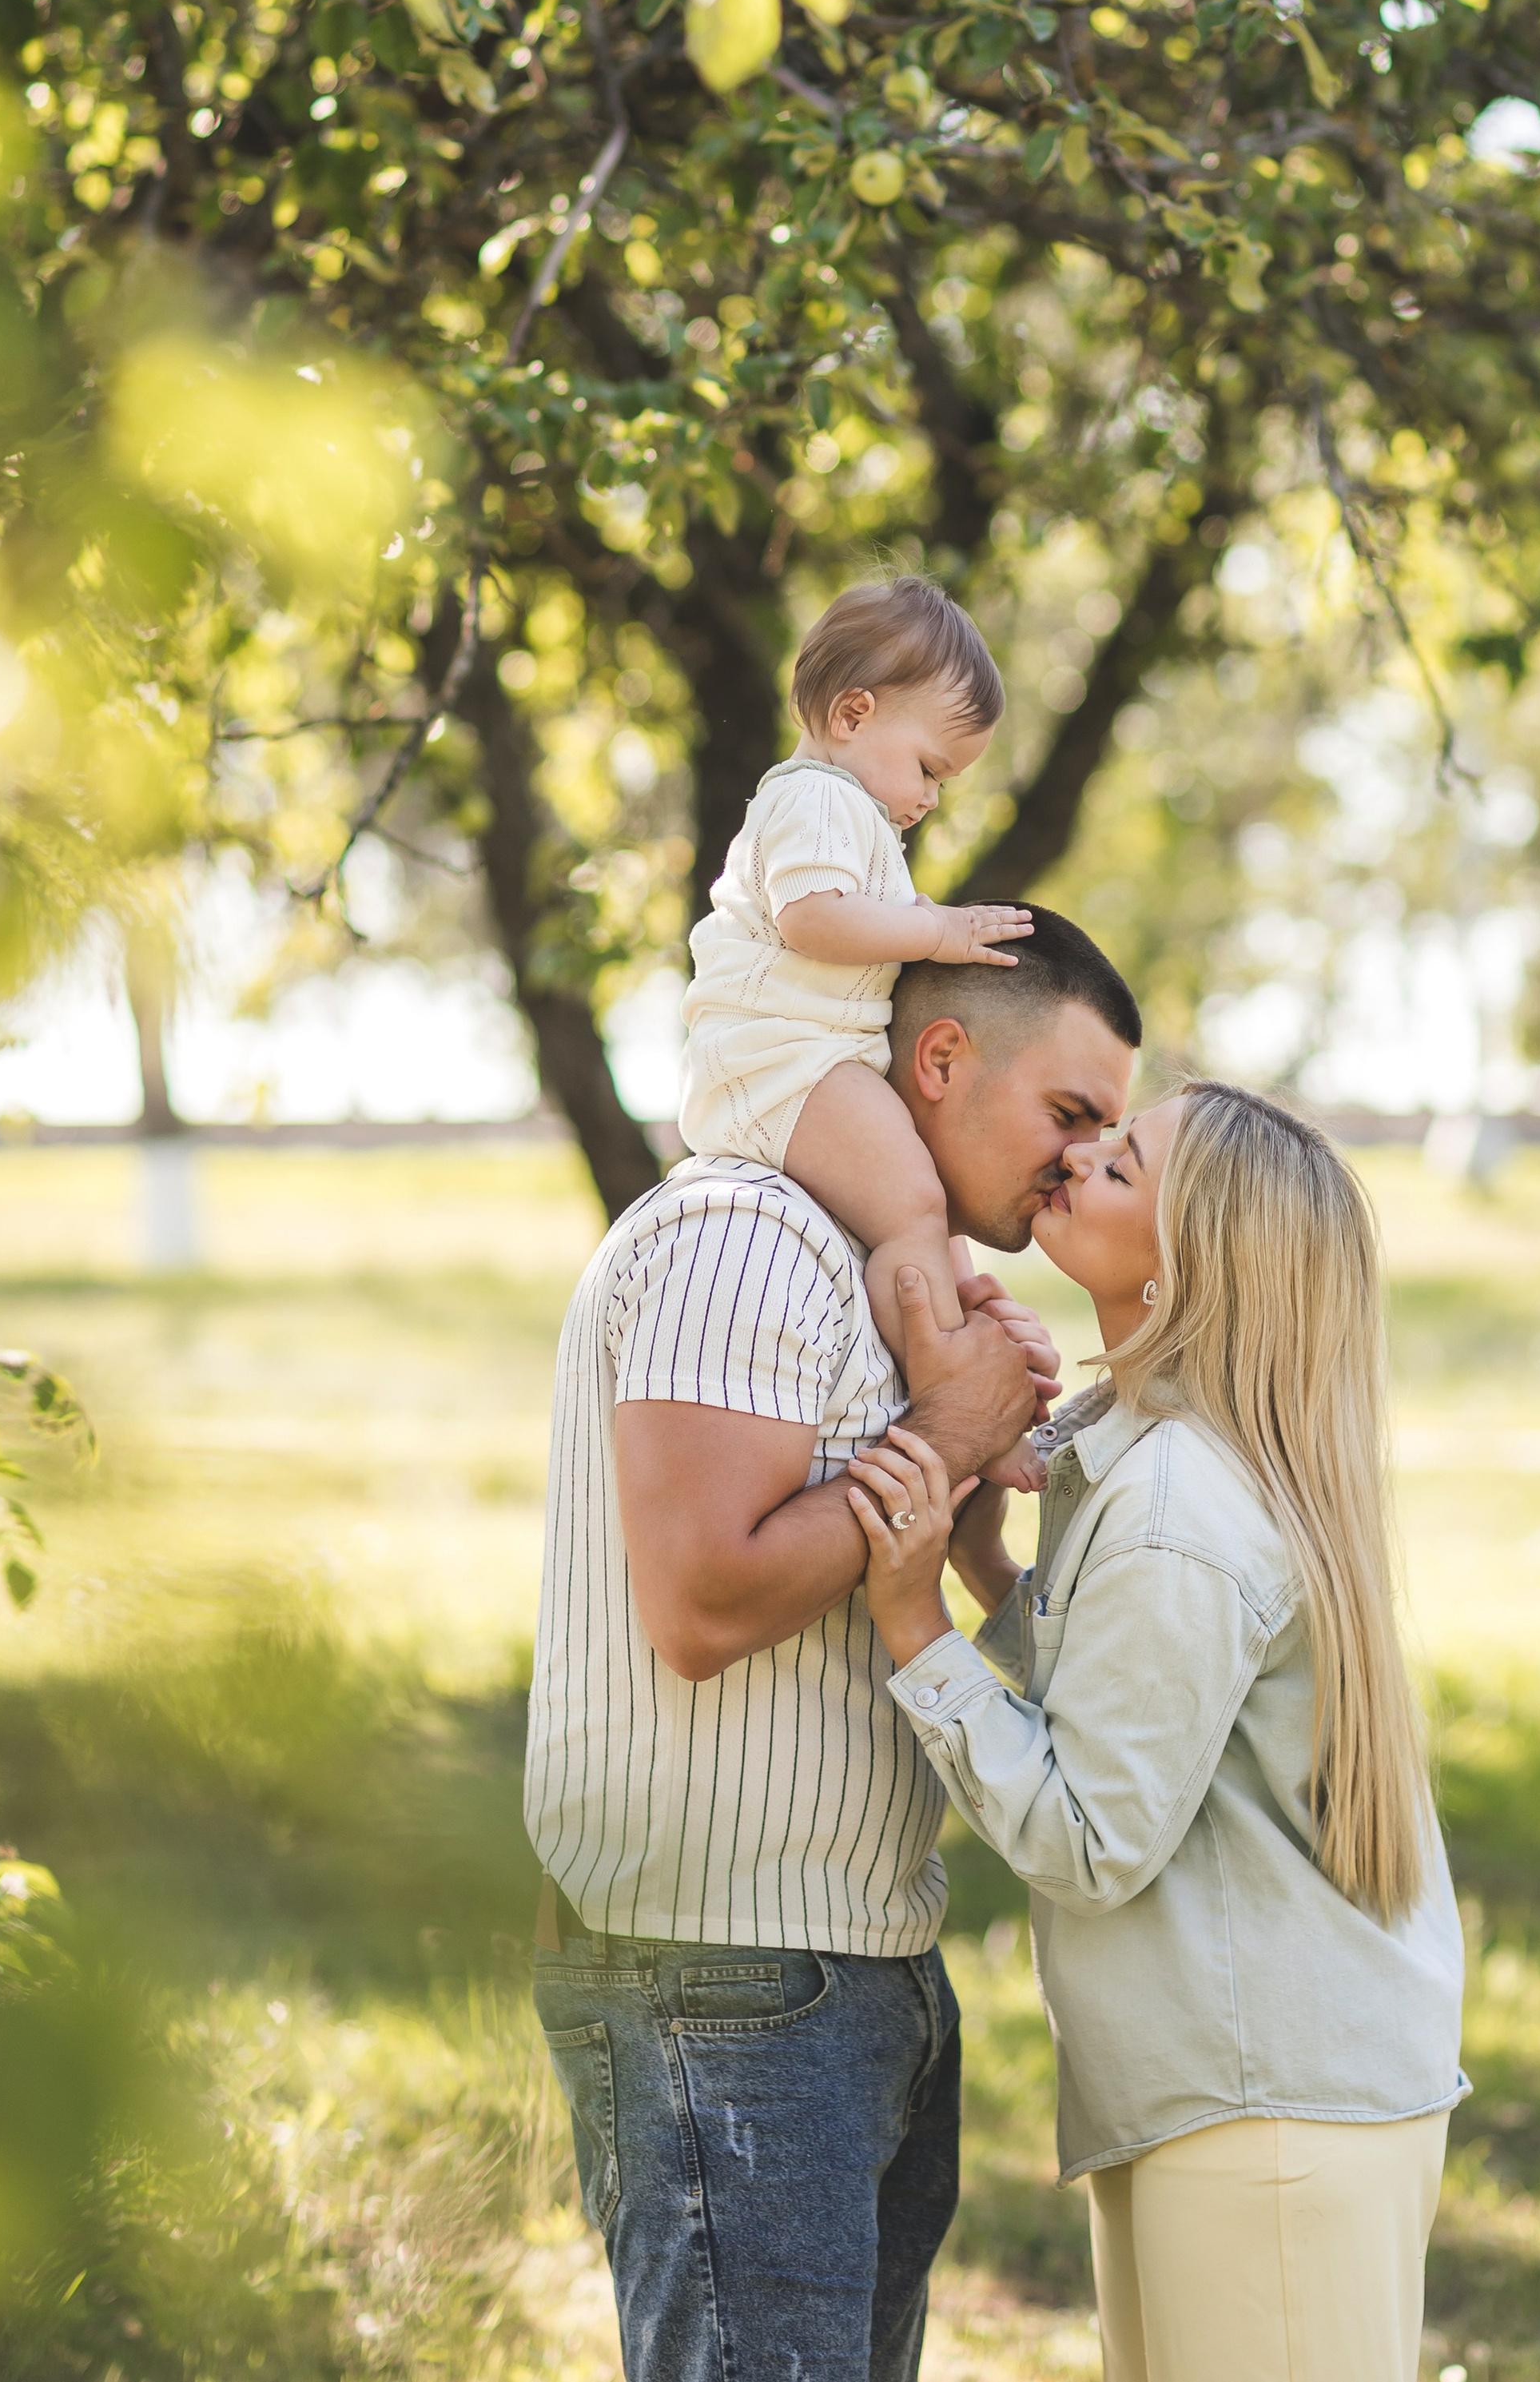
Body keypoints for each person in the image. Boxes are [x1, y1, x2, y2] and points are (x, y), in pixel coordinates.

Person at [523, 911, 1143, 2382]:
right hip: (720, 1984)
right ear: (940, 1058)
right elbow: (700, 1602)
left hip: (860, 1972)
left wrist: (981, 1495)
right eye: (1068, 1115)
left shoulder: (879, 1276)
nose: (1077, 1162)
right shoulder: (743, 1235)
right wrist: (953, 1428)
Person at [846, 1081, 1469, 2382]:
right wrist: (989, 1579)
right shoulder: (1159, 1459)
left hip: (1269, 2116)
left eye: (1120, 1164)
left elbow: (1092, 1836)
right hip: (1242, 2094)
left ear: (1192, 1263)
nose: (1076, 1152)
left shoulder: (1180, 1501)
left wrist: (915, 1625)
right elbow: (1148, 1705)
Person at [676, 572, 1036, 1370]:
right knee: (912, 1203)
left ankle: (960, 1323)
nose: (932, 799)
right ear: (852, 714)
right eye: (931, 769)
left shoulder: (844, 809)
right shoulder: (818, 799)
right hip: (783, 1063)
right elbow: (812, 919)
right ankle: (945, 1380)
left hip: (809, 1063)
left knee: (927, 1209)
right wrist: (934, 930)